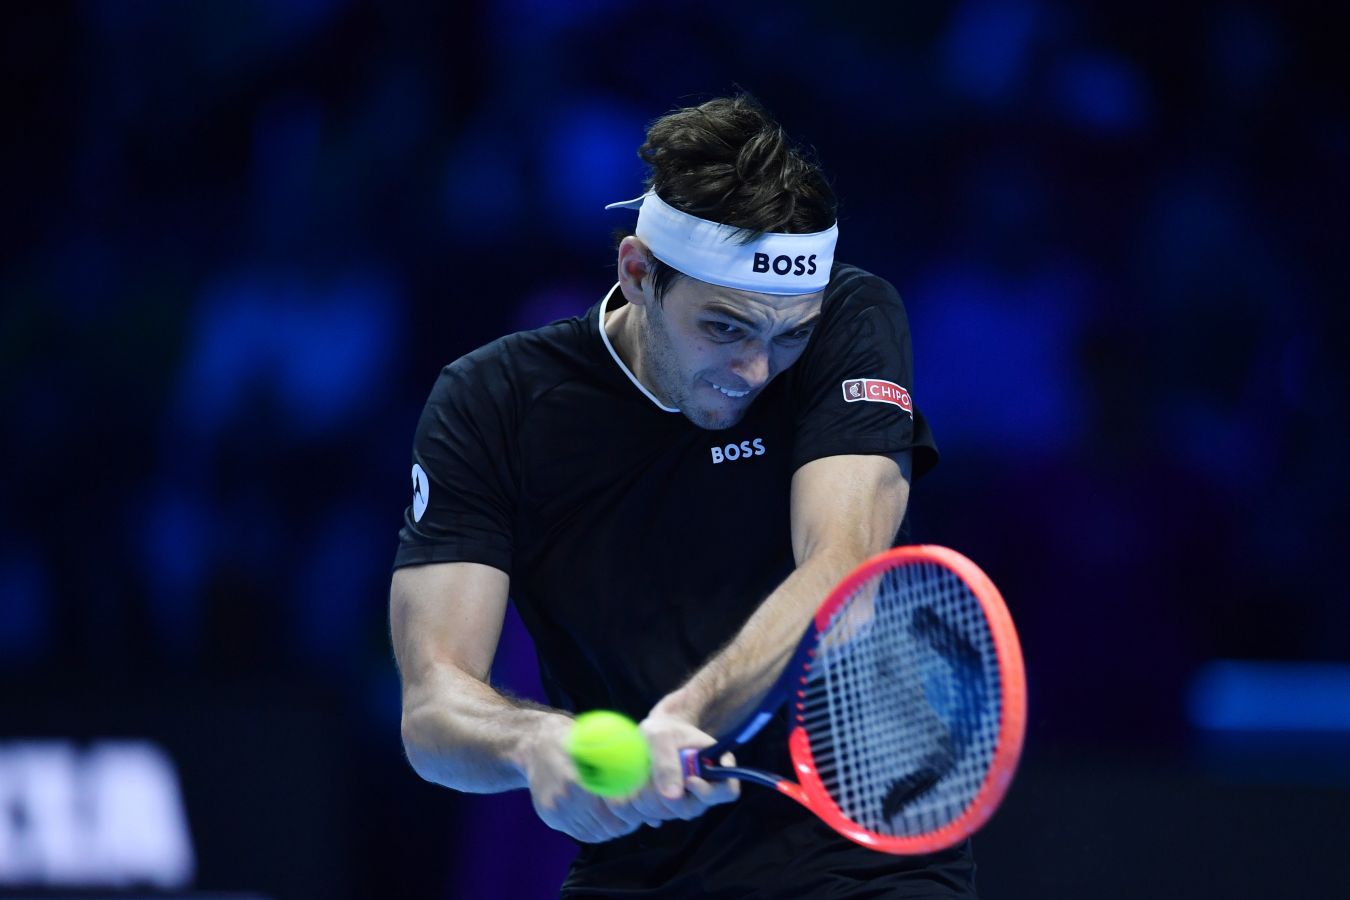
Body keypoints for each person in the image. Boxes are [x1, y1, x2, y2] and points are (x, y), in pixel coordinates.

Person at [390, 95, 973, 897]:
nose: (757, 371)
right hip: (638, 865)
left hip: (863, 854)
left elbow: (845, 570)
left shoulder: (853, 319)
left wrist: (686, 714)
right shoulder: (492, 402)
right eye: (724, 328)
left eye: (789, 334)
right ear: (637, 273)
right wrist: (536, 743)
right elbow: (431, 710)